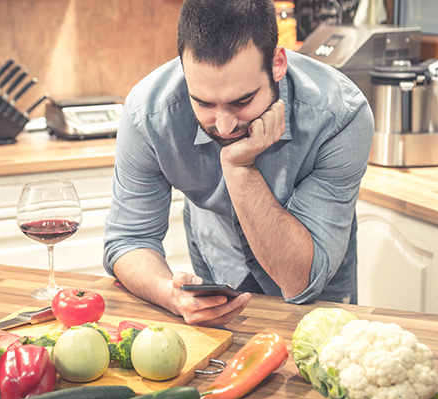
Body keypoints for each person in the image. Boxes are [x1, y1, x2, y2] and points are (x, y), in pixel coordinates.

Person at [103, 0, 373, 327]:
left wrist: (240, 167)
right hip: (216, 251)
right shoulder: (148, 114)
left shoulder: (340, 116)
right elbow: (129, 240)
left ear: (277, 63)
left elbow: (300, 281)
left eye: (242, 101)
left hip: (314, 266)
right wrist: (170, 293)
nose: (225, 125)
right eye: (202, 103)